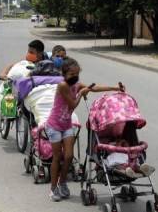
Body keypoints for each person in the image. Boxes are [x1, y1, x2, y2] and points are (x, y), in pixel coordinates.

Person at [46, 57, 124, 201]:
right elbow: (72, 105)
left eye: (76, 74)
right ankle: (53, 188)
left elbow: (93, 88)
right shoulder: (62, 86)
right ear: (64, 74)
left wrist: (115, 88)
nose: (74, 78)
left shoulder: (76, 84)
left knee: (69, 156)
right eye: (71, 75)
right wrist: (81, 94)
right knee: (57, 157)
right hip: (54, 126)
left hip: (66, 125)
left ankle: (62, 183)